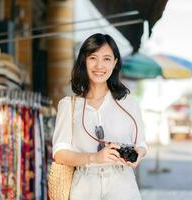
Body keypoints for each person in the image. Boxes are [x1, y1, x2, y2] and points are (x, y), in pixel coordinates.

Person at [52, 33, 148, 200]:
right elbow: (60, 153)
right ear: (84, 60)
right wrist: (94, 158)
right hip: (84, 185)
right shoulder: (68, 105)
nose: (99, 65)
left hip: (122, 184)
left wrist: (137, 155)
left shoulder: (129, 103)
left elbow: (141, 144)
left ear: (115, 62)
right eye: (93, 58)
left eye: (106, 59)